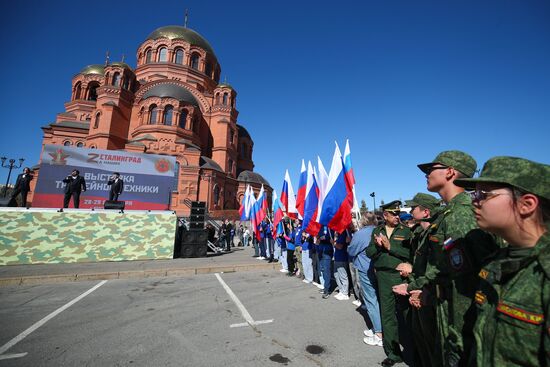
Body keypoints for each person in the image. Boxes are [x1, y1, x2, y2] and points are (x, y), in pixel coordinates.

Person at [452, 156, 549, 367]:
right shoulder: (496, 263)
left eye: (483, 194)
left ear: (527, 204)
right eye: (474, 193)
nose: (474, 200)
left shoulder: (544, 273)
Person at [416, 150, 499, 366]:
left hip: (462, 314)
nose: (427, 174)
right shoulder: (449, 212)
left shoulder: (462, 213)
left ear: (450, 172)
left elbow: (471, 276)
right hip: (447, 305)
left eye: (431, 169)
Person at [392, 192, 440, 367]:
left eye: (414, 208)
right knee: (421, 339)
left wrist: (414, 285)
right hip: (418, 289)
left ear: (426, 212)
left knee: (432, 341)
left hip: (428, 292)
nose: (410, 211)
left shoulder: (435, 233)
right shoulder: (420, 232)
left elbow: (436, 268)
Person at [365, 200, 412, 367]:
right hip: (384, 276)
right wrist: (378, 247)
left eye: (398, 214)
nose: (397, 217)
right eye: (394, 214)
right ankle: (393, 353)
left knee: (408, 314)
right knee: (388, 315)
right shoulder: (377, 231)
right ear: (385, 215)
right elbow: (369, 252)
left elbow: (411, 253)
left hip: (401, 276)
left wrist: (390, 246)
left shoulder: (406, 231)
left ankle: (414, 350)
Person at [348, 216, 383, 347]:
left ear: (363, 222)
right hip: (380, 269)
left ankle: (379, 334)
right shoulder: (380, 229)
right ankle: (378, 327)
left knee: (371, 300)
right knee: (379, 299)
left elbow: (351, 250)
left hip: (366, 269)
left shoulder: (361, 233)